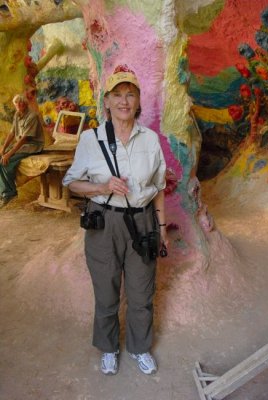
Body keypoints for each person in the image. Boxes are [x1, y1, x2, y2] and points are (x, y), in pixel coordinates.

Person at [62, 65, 168, 376]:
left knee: (141, 291)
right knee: (106, 292)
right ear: (106, 101)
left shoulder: (150, 139)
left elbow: (159, 188)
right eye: (117, 95)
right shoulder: (90, 139)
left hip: (143, 222)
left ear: (138, 101)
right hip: (104, 224)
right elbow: (72, 182)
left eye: (130, 94)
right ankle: (109, 348)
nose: (124, 101)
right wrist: (101, 186)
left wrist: (161, 228)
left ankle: (139, 347)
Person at [0, 94, 44, 207]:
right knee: (1, 158)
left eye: (22, 102)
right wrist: (3, 149)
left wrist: (9, 154)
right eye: (17, 103)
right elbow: (12, 133)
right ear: (15, 105)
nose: (19, 105)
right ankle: (4, 192)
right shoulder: (17, 114)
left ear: (26, 104)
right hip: (21, 145)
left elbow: (24, 139)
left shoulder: (32, 116)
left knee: (6, 162)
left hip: (32, 146)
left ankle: (10, 193)